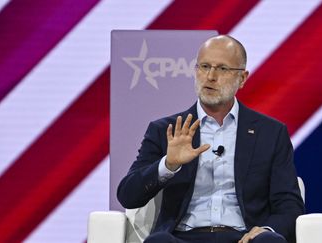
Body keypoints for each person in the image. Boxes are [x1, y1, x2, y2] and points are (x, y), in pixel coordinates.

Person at [117, 35, 305, 243]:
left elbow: (289, 203)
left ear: (242, 78)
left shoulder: (270, 133)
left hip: (245, 238)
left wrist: (266, 229)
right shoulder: (167, 130)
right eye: (204, 66)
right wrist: (168, 165)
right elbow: (128, 195)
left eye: (223, 69)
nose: (210, 76)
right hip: (182, 238)